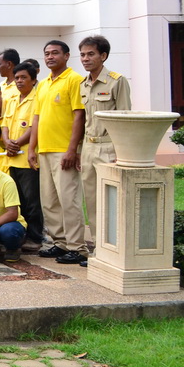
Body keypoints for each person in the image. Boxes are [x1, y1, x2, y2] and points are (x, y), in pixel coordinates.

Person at [29, 40, 87, 266]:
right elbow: (37, 118)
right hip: (45, 149)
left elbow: (79, 115)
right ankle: (60, 242)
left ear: (66, 56)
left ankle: (77, 247)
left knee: (68, 200)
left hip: (64, 151)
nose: (50, 57)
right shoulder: (43, 84)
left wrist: (72, 149)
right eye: (46, 53)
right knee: (50, 201)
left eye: (55, 53)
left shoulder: (74, 80)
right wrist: (32, 148)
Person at [79, 35, 131, 258]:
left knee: (112, 201)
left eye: (91, 54)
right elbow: (84, 121)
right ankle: (100, 248)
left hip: (109, 148)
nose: (85, 58)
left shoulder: (116, 81)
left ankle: (115, 248)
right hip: (88, 149)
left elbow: (126, 119)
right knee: (91, 201)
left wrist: (123, 153)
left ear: (103, 55)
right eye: (82, 54)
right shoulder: (84, 84)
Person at [1, 62, 44, 251]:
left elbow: (36, 126)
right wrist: (6, 141)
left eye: (24, 77)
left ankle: (35, 237)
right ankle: (21, 234)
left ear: (33, 80)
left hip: (28, 157)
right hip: (11, 158)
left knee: (32, 200)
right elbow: (5, 124)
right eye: (17, 77)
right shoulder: (11, 99)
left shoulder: (38, 98)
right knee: (17, 200)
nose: (19, 81)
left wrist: (17, 143)